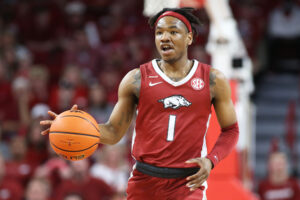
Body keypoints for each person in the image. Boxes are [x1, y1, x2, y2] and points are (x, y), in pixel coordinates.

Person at [41, 7, 239, 200]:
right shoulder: (136, 79)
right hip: (145, 180)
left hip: (187, 182)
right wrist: (68, 126)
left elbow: (231, 130)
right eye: (159, 32)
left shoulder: (212, 80)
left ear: (189, 38)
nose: (165, 37)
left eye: (173, 31)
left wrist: (211, 160)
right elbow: (112, 133)